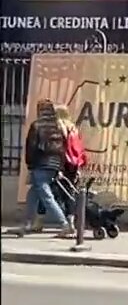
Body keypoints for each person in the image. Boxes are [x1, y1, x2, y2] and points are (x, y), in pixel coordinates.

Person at [15, 100, 73, 237]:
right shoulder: (58, 127)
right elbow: (62, 149)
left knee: (46, 195)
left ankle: (64, 225)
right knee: (32, 194)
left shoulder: (37, 126)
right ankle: (27, 224)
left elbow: (31, 147)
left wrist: (30, 165)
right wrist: (59, 167)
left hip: (40, 164)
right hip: (54, 165)